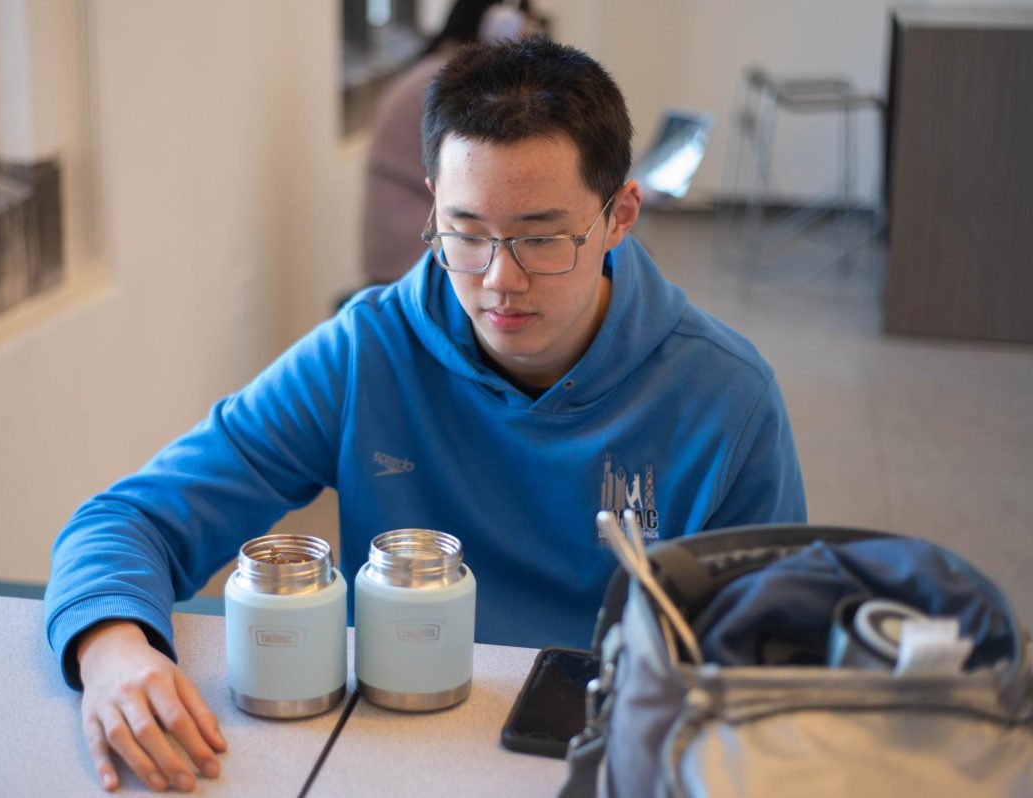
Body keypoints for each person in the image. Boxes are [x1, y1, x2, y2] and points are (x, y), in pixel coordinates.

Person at [45, 37, 806, 793]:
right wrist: (113, 648)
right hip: (390, 750)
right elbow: (128, 519)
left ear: (620, 215)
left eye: (541, 238)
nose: (499, 280)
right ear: (432, 206)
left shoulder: (726, 398)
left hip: (611, 760)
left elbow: (778, 664)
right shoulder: (365, 354)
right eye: (466, 233)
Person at [362, 0, 539, 285]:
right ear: (500, 24)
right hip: (412, 252)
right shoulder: (451, 82)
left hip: (398, 239)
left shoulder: (435, 70)